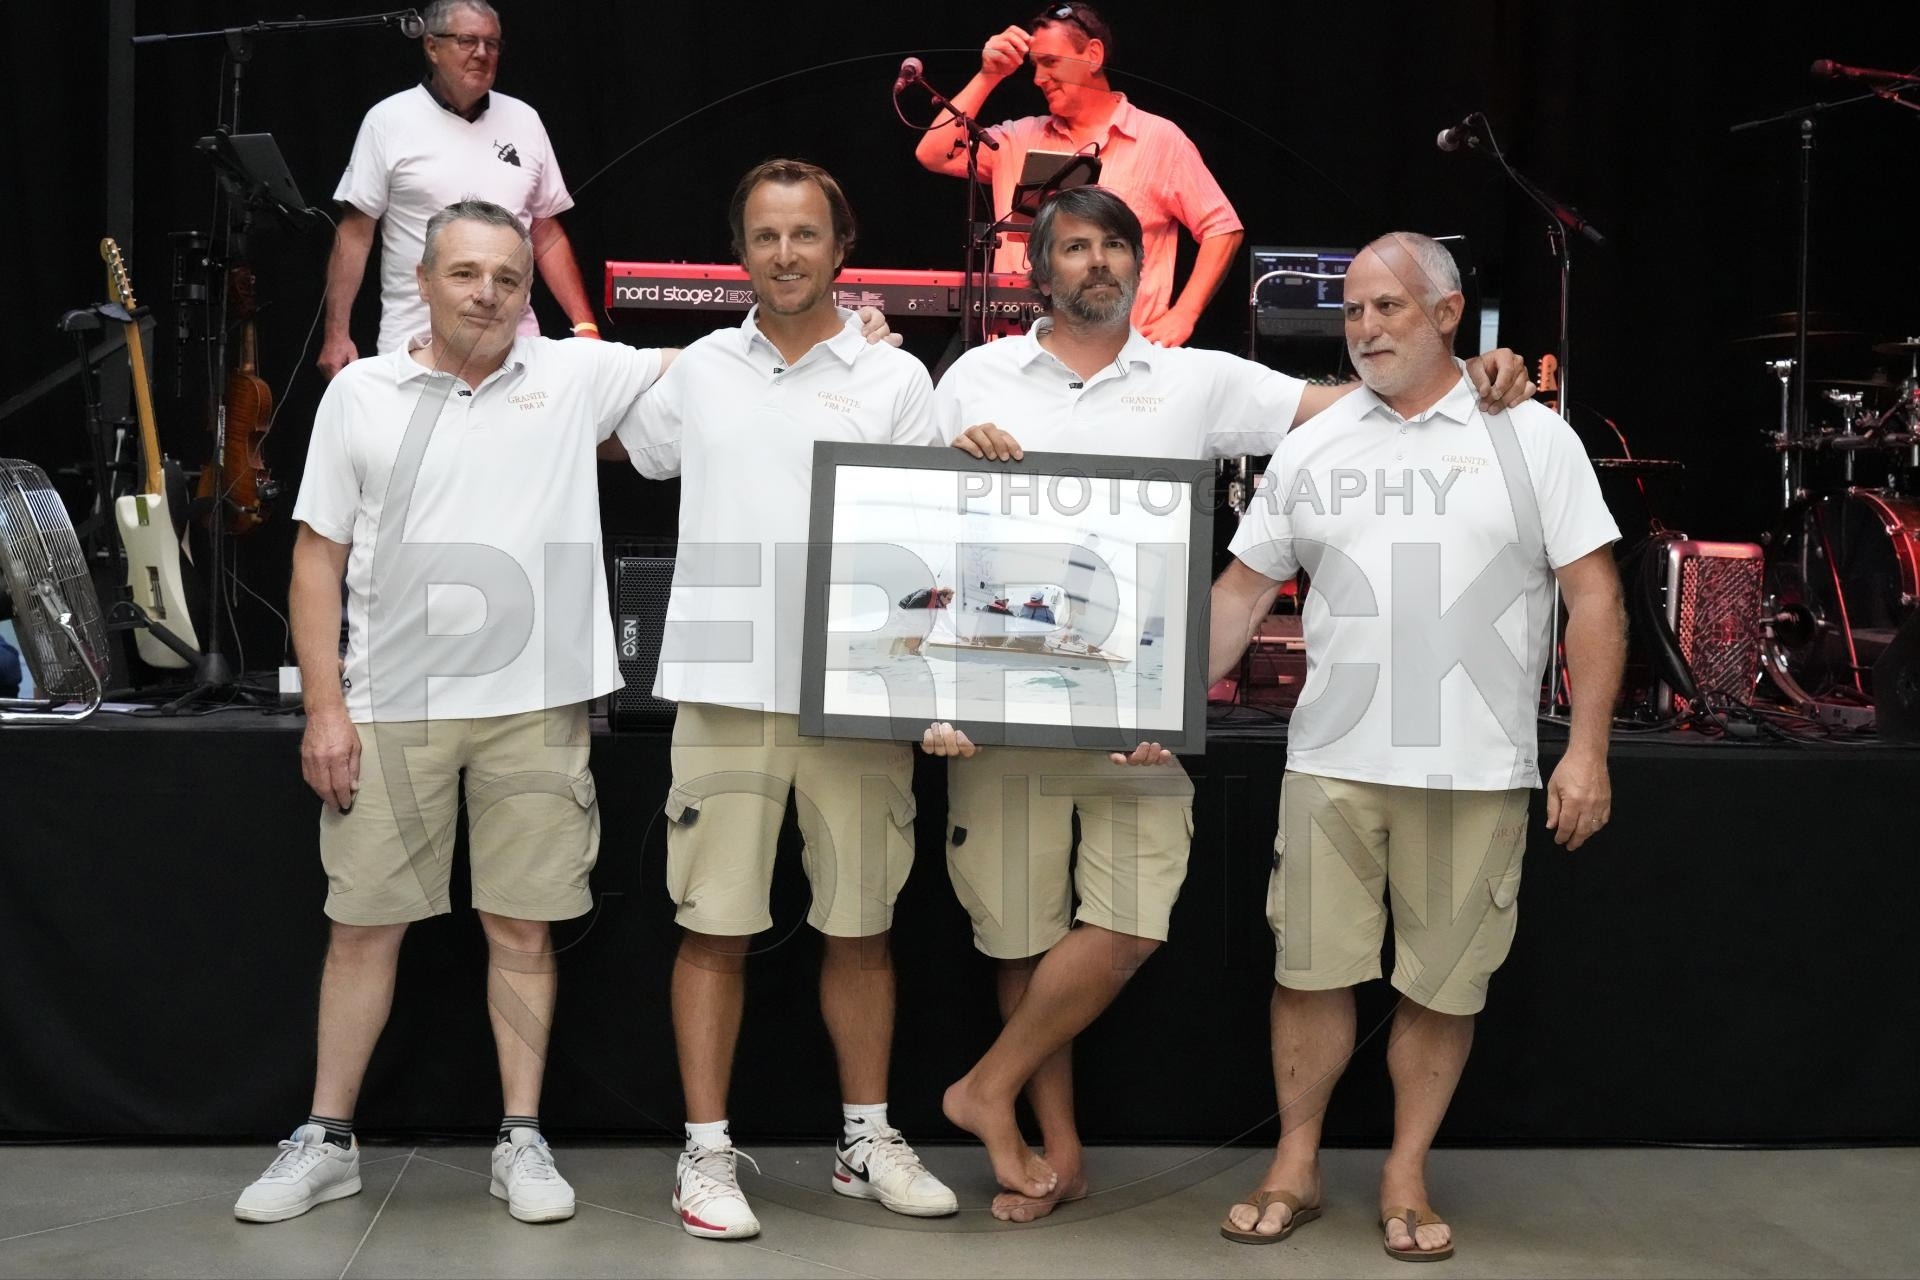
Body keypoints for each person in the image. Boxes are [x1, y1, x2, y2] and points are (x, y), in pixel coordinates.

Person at [919, 187, 1534, 1223]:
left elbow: (1354, 397)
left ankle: (985, 1086)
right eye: (1075, 247)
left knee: (1126, 925)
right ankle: (1053, 1149)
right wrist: (928, 684)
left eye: (1116, 245)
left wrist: (1467, 370)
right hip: (1004, 698)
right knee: (1022, 935)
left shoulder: (1194, 377)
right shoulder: (973, 379)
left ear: (1142, 265)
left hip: (1140, 708)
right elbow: (916, 518)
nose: (1098, 262)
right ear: (1039, 268)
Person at [233, 199, 672, 1225]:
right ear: (422, 281)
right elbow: (315, 559)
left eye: (508, 278)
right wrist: (326, 710)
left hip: (538, 710)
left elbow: (720, 368)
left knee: (522, 926)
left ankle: (521, 1138)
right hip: (393, 707)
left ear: (528, 294)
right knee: (363, 927)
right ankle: (327, 1138)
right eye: (466, 273)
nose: (488, 293)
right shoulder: (363, 395)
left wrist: (858, 327)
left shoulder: (572, 373)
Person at [1206, 232, 1625, 1261]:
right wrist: (1155, 710)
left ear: (1446, 315)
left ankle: (1405, 1169)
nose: (1365, 327)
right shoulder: (1313, 446)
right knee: (1309, 972)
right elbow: (1241, 595)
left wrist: (1587, 750)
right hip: (1331, 762)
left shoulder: (1530, 434)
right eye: (1353, 310)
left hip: (1476, 766)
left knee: (1442, 985)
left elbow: (1595, 596)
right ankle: (1295, 1161)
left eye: (1388, 306)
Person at [610, 159, 958, 1241]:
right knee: (713, 929)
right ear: (741, 251)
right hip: (724, 685)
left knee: (862, 929)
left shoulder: (897, 379)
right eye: (765, 235)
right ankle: (706, 1153)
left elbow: (932, 544)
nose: (786, 253)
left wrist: (933, 681)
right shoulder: (701, 370)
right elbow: (633, 446)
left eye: (806, 233)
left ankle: (866, 1140)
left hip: (858, 691)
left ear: (841, 247)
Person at [911, 3, 1243, 346]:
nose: (1038, 78)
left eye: (1051, 62)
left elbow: (1222, 228)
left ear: (1093, 55)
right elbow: (932, 153)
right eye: (1035, 66)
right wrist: (989, 75)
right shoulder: (1016, 138)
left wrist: (1184, 314)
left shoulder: (1158, 139)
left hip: (1121, 354)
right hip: (1018, 354)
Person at [318, 0, 599, 378]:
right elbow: (355, 234)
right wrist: (336, 335)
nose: (482, 53)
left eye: (492, 44)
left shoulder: (524, 120)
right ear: (432, 47)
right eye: (467, 41)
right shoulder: (388, 120)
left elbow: (545, 230)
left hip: (515, 350)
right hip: (417, 346)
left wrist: (585, 326)